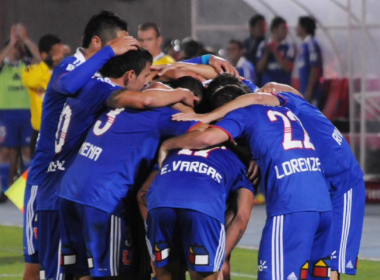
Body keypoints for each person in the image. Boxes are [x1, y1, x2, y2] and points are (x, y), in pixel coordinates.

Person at [174, 81, 365, 279]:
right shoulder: (287, 105)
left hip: (339, 186)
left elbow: (214, 131)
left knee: (326, 266)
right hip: (319, 193)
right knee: (318, 270)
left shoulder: (250, 109)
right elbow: (246, 84)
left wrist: (206, 117)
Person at [57, 55, 200, 277]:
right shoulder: (163, 114)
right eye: (145, 76)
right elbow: (207, 132)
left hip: (69, 191)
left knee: (80, 273)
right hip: (101, 199)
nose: (146, 82)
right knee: (108, 274)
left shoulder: (118, 101)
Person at [22, 10, 138, 280]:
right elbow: (70, 84)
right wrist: (109, 52)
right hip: (46, 183)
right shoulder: (70, 66)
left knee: (79, 269)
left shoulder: (100, 78)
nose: (121, 51)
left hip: (74, 188)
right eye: (118, 44)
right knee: (35, 268)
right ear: (98, 43)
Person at [145, 145, 254, 280]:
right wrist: (218, 259)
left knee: (166, 274)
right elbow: (241, 216)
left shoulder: (176, 151)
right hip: (202, 204)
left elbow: (142, 194)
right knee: (204, 275)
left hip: (159, 203)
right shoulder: (242, 164)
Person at [0, 24, 40, 202]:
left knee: (26, 151)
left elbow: (41, 59)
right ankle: (4, 189)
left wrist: (24, 39)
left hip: (26, 114)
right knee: (7, 153)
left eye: (20, 46)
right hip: (6, 115)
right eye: (15, 45)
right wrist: (11, 42)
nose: (18, 47)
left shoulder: (28, 65)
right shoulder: (3, 66)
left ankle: (24, 191)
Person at [22, 34, 66, 156]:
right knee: (38, 174)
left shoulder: (66, 72)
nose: (61, 56)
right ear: (44, 56)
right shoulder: (31, 71)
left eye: (62, 52)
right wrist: (46, 64)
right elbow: (30, 81)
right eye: (57, 52)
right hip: (40, 135)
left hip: (63, 134)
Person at [256, 17, 295, 86]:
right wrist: (267, 54)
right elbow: (259, 69)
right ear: (275, 29)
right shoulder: (263, 45)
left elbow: (287, 68)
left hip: (283, 87)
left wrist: (275, 52)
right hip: (267, 88)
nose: (286, 31)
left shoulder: (289, 46)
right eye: (283, 28)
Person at [296, 16, 323, 106]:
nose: (296, 28)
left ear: (303, 28)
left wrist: (309, 90)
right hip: (305, 91)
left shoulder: (311, 44)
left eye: (298, 25)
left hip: (312, 93)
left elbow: (315, 67)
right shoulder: (304, 45)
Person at [243, 14, 266, 86]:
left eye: (264, 26)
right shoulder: (246, 43)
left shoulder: (265, 44)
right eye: (260, 26)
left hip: (260, 81)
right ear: (252, 28)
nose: (263, 29)